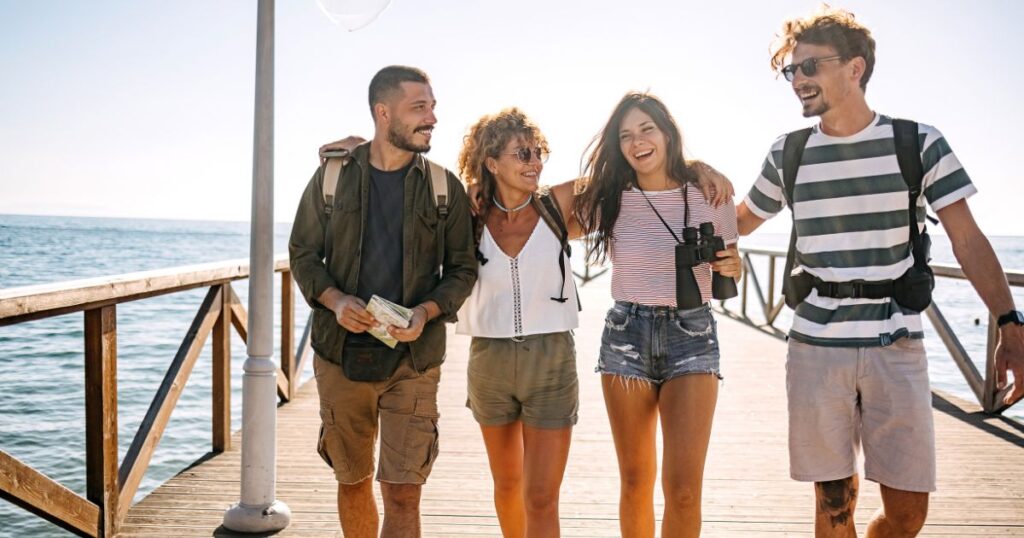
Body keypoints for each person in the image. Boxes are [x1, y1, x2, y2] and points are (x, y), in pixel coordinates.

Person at [735, 7, 1024, 537]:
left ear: (855, 68)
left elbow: (968, 240)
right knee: (833, 507)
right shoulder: (788, 155)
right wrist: (689, 184)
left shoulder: (918, 142)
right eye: (791, 71)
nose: (798, 80)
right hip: (816, 347)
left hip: (897, 343)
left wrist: (1010, 321)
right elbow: (739, 224)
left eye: (811, 67)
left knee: (908, 515)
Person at [288, 65, 477, 538]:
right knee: (352, 482)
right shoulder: (332, 177)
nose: (432, 117)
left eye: (432, 106)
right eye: (419, 107)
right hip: (339, 357)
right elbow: (303, 254)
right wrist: (334, 300)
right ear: (383, 112)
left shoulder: (443, 186)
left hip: (413, 360)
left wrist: (426, 312)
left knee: (402, 491)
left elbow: (463, 269)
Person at [573, 91, 741, 538]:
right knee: (634, 481)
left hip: (692, 332)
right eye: (626, 135)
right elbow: (544, 212)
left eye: (647, 129)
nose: (637, 141)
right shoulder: (608, 197)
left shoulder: (711, 194)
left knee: (684, 489)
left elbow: (730, 260)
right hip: (626, 332)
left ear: (668, 132)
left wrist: (731, 264)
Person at [454, 107, 580, 537]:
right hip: (489, 361)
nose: (535, 162)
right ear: (491, 163)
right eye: (522, 154)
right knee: (507, 485)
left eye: (538, 152)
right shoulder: (467, 214)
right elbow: (411, 185)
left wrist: (698, 167)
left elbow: (620, 171)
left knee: (541, 496)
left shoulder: (558, 205)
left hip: (550, 360)